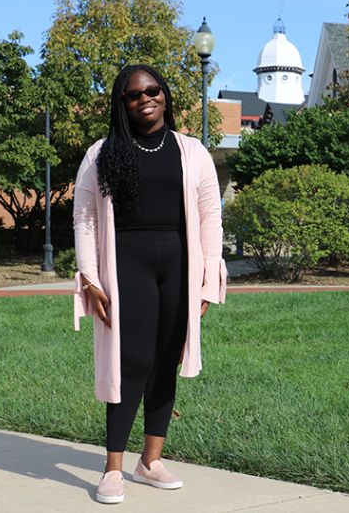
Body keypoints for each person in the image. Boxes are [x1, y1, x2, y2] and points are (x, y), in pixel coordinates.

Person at [73, 64, 227, 504]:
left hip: (179, 261)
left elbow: (209, 215)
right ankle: (113, 467)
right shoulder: (102, 153)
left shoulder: (192, 151)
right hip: (126, 264)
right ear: (122, 103)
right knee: (132, 359)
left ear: (165, 95)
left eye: (153, 90)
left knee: (165, 356)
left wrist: (206, 277)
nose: (146, 99)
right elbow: (85, 218)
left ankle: (151, 461)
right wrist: (90, 276)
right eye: (134, 95)